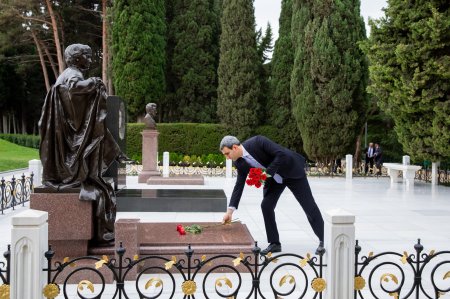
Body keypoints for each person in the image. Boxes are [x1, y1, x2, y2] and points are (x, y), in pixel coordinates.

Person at [39, 43, 132, 243]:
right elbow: (74, 88)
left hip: (68, 137)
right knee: (101, 182)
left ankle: (115, 152)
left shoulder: (69, 73)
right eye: (87, 56)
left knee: (100, 133)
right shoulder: (72, 74)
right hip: (70, 142)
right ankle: (115, 153)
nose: (90, 60)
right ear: (76, 58)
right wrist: (94, 82)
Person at [220, 135, 325, 255]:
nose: (227, 158)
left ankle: (324, 240)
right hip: (274, 180)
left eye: (227, 153)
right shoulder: (239, 163)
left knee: (309, 206)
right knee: (266, 206)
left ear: (234, 147)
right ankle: (274, 243)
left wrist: (266, 174)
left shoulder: (258, 142)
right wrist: (230, 212)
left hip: (291, 170)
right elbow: (239, 185)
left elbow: (280, 154)